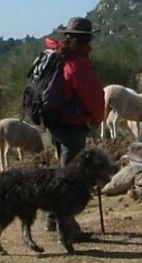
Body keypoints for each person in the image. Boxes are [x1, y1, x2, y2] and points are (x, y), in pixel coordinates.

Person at [43, 17, 105, 239]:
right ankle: (67, 229)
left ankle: (52, 218)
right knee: (70, 179)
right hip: (72, 128)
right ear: (87, 38)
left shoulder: (57, 56)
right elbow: (94, 99)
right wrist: (97, 119)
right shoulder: (79, 64)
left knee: (61, 172)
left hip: (54, 125)